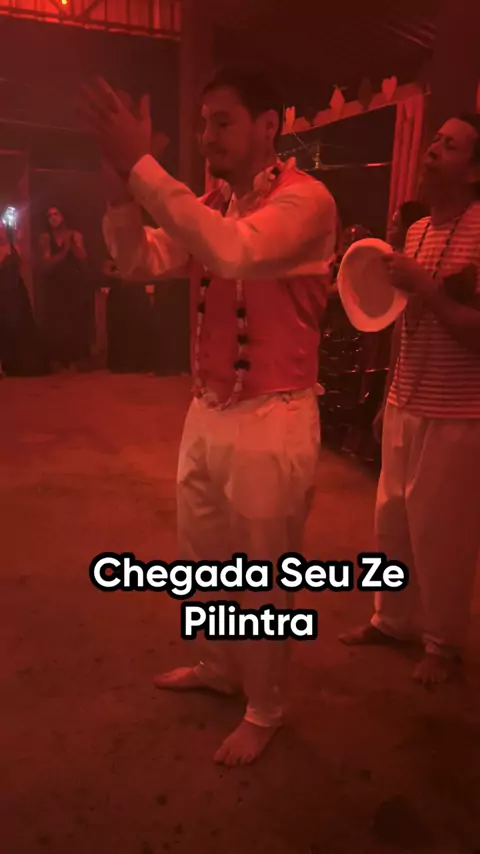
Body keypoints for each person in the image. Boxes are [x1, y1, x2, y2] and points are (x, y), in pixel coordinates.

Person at [79, 66, 337, 765]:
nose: (207, 136)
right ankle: (222, 667)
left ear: (268, 126)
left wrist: (141, 166)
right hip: (208, 409)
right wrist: (121, 192)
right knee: (204, 559)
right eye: (202, 123)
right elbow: (138, 260)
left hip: (275, 412)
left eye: (222, 121)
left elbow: (235, 251)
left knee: (264, 574)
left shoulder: (306, 201)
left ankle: (266, 707)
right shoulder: (211, 203)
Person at [340, 115, 480, 686]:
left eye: (449, 145)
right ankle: (391, 619)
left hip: (459, 411)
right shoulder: (418, 230)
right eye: (434, 140)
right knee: (391, 521)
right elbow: (404, 323)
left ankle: (444, 644)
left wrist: (427, 287)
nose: (431, 150)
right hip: (405, 399)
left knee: (442, 532)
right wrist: (386, 397)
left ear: (474, 170)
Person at [39, 207, 93, 371]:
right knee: (58, 322)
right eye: (49, 216)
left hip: (74, 284)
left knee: (76, 320)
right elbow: (46, 264)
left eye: (55, 214)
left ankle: (77, 360)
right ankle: (60, 360)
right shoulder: (45, 238)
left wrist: (74, 247)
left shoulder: (75, 234)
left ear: (63, 216)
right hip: (55, 285)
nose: (52, 218)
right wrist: (64, 251)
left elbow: (83, 258)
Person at [0, 218, 49, 376]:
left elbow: (25, 263)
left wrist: (18, 241)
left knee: (20, 325)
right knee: (5, 325)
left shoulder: (14, 245)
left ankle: (19, 364)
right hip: (3, 289)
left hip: (16, 290)